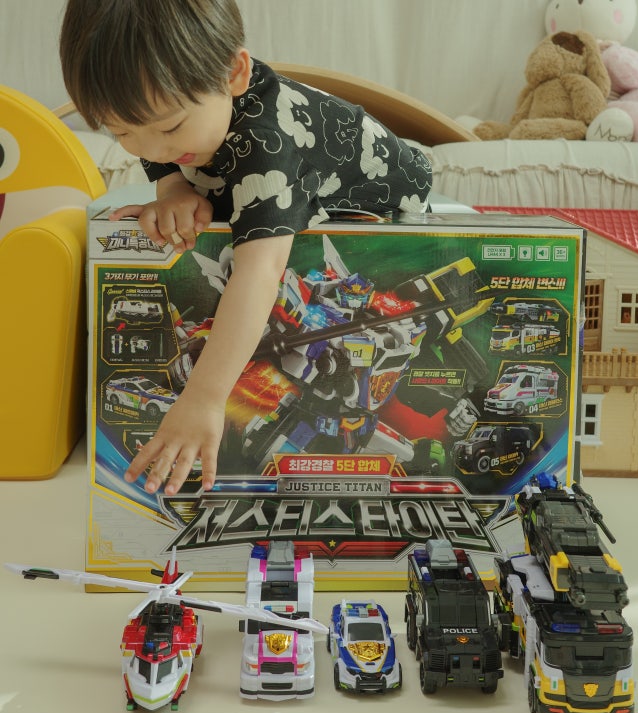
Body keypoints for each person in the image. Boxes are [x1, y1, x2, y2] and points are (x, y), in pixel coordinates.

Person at [60, 0, 432, 497]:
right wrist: (174, 187)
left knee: (263, 253)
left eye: (169, 128)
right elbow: (162, 153)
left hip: (378, 200)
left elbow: (260, 273)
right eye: (122, 131)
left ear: (234, 74)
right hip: (251, 167)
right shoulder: (172, 119)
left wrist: (203, 399)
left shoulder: (266, 147)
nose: (151, 149)